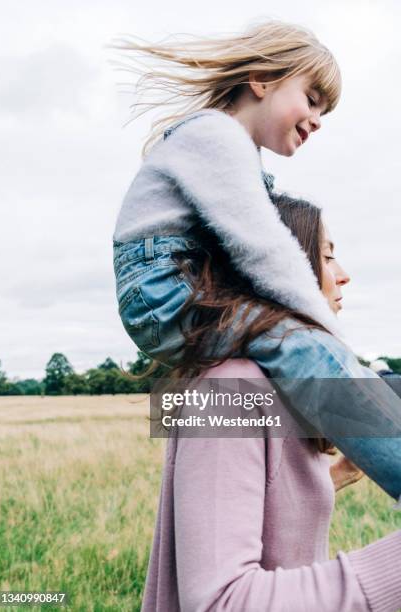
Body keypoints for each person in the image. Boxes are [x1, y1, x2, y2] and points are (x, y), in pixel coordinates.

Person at [112, 20, 401, 499]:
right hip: (165, 291)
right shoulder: (215, 136)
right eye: (311, 99)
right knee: (309, 349)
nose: (318, 119)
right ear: (263, 79)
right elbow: (263, 249)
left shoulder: (231, 154)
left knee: (328, 362)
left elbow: (275, 498)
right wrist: (324, 332)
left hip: (175, 289)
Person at [141, 194, 401, 612]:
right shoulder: (228, 390)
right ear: (280, 273)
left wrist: (331, 478)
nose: (344, 275)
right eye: (328, 257)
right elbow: (219, 602)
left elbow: (250, 512)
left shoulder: (270, 387)